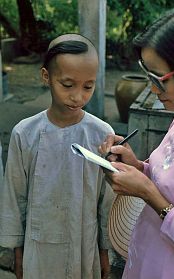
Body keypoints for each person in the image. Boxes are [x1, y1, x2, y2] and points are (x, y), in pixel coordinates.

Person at [0, 33, 115, 279]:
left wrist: (105, 252)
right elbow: (14, 196)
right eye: (67, 84)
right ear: (46, 77)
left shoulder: (102, 134)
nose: (78, 96)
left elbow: (107, 201)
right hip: (38, 249)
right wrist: (17, 255)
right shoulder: (25, 133)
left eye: (88, 86)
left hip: (85, 247)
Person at [99, 6, 174, 279]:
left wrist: (148, 193)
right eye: (147, 76)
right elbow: (169, 177)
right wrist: (137, 166)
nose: (153, 90)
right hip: (145, 257)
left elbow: (160, 195)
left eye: (158, 79)